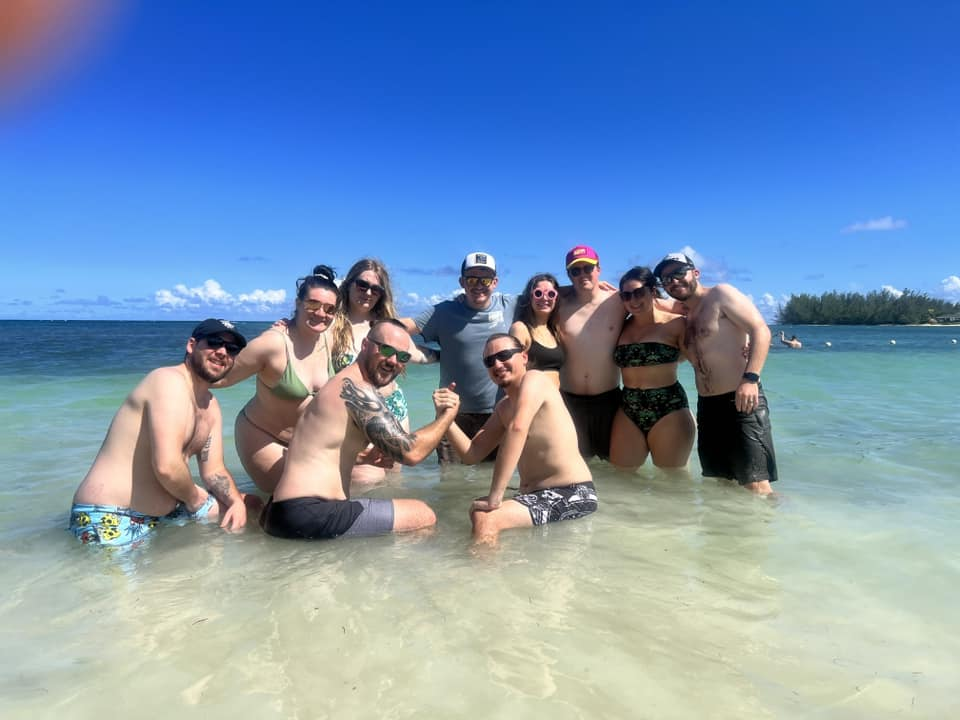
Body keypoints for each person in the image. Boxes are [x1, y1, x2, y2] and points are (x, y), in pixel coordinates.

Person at [261, 320, 460, 540]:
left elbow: (321, 450)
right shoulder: (356, 388)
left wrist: (362, 458)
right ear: (365, 345)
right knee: (423, 515)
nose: (393, 361)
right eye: (386, 350)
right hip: (307, 512)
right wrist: (448, 416)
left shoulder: (340, 383)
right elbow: (411, 453)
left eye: (402, 357)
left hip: (281, 511)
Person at [69, 319, 250, 547]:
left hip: (162, 518)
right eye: (214, 343)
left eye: (232, 349)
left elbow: (214, 471)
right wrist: (197, 501)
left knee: (248, 507)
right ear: (191, 345)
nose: (222, 352)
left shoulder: (210, 406)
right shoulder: (167, 382)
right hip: (110, 516)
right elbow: (167, 467)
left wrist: (236, 503)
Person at [443, 334, 597, 545]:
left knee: (487, 517)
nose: (497, 364)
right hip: (538, 496)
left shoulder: (536, 379)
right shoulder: (504, 408)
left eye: (504, 355)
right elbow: (472, 453)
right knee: (477, 510)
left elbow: (518, 427)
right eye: (489, 361)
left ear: (524, 357)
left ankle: (477, 576)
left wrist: (495, 498)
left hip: (573, 493)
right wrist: (446, 419)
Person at [654, 252, 778, 494]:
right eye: (666, 279)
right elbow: (647, 302)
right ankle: (727, 531)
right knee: (721, 483)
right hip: (708, 407)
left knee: (756, 485)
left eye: (679, 273)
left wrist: (750, 378)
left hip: (742, 399)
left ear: (696, 273)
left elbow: (760, 330)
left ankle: (776, 527)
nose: (674, 281)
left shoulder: (721, 295)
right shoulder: (683, 314)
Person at [215, 265, 339, 494]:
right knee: (292, 505)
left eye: (329, 309)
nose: (321, 313)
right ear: (298, 304)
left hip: (307, 444)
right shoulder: (272, 344)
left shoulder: (328, 338)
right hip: (263, 437)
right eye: (313, 304)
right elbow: (218, 379)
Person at [402, 251, 517, 463]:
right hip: (451, 414)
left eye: (485, 279)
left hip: (497, 413)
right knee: (450, 485)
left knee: (492, 481)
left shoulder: (510, 306)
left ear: (495, 282)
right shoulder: (443, 312)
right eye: (472, 278)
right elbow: (402, 328)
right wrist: (364, 323)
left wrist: (594, 292)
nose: (479, 285)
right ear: (462, 282)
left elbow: (547, 296)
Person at [330, 258, 438, 482]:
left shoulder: (384, 326)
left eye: (376, 289)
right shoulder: (330, 326)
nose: (368, 293)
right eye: (362, 285)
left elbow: (416, 353)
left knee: (392, 482)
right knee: (363, 479)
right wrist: (289, 328)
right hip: (359, 415)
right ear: (348, 284)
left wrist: (451, 355)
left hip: (395, 408)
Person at [609, 267, 695, 469]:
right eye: (626, 295)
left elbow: (702, 359)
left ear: (653, 290)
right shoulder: (621, 326)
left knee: (672, 483)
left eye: (639, 292)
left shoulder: (676, 324)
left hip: (669, 407)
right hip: (629, 407)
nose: (633, 300)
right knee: (621, 477)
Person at [555, 245, 625, 461]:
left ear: (599, 269)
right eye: (576, 271)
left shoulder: (619, 301)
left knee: (614, 469)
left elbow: (656, 307)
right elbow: (528, 298)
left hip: (609, 400)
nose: (583, 274)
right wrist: (564, 289)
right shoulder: (557, 305)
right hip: (569, 400)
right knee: (572, 466)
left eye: (588, 268)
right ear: (569, 275)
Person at [509, 273, 564, 386]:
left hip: (557, 400)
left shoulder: (555, 330)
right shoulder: (520, 329)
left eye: (551, 294)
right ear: (530, 297)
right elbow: (513, 373)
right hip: (534, 400)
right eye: (538, 293)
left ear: (556, 298)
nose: (545, 298)